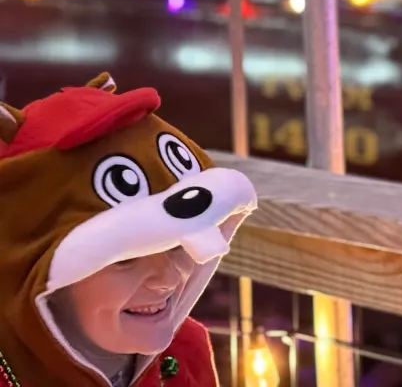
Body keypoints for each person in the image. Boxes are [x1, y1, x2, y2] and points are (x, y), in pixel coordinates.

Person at [0, 72, 258, 386]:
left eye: (179, 245)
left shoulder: (186, 349)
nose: (167, 279)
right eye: (125, 259)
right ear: (36, 273)